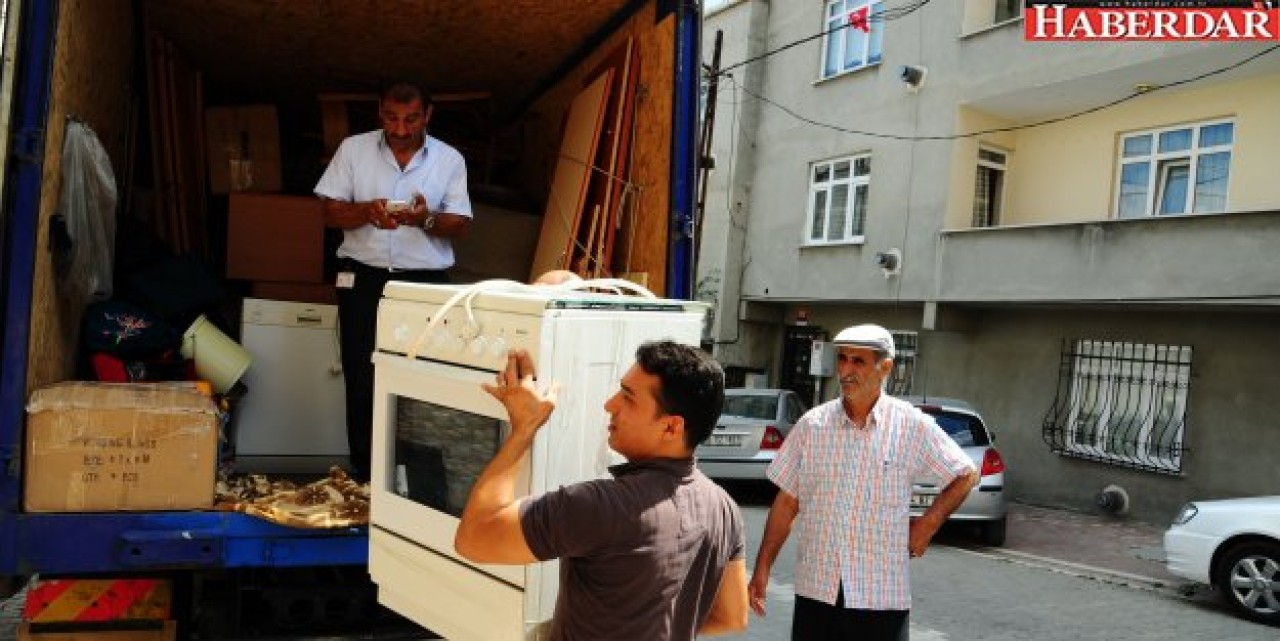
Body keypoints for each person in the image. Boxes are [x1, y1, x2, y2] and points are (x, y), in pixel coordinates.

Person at [455, 342, 750, 640]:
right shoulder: (724, 508)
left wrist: (524, 428)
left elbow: (475, 538)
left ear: (671, 428)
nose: (610, 404)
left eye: (628, 398)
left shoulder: (602, 506)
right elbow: (732, 616)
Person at [748, 324, 978, 641]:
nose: (846, 370)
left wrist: (929, 523)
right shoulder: (813, 425)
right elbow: (787, 502)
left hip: (880, 595)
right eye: (842, 359)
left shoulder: (911, 425)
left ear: (885, 367)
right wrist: (762, 567)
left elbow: (966, 473)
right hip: (817, 590)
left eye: (858, 361)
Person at [314, 81, 472, 482]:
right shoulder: (354, 149)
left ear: (428, 115)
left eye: (411, 119)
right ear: (379, 112)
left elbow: (460, 222)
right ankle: (366, 475)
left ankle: (421, 479)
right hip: (362, 278)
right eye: (391, 118)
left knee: (427, 376)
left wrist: (424, 219)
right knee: (362, 373)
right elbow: (331, 212)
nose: (400, 129)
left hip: (425, 283)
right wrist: (367, 211)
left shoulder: (450, 159)